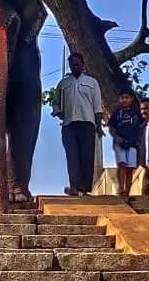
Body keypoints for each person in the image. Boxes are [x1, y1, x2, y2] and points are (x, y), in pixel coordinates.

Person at [52, 53, 104, 196]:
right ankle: (74, 186)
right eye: (73, 64)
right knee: (72, 156)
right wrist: (59, 113)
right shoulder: (63, 84)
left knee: (86, 156)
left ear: (82, 65)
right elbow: (55, 102)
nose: (75, 67)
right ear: (70, 66)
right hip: (69, 125)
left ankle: (85, 188)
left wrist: (98, 126)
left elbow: (97, 105)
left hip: (87, 124)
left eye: (78, 64)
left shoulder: (92, 82)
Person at [108, 91, 142, 197]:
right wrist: (116, 138)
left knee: (130, 168)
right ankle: (121, 188)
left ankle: (127, 191)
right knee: (121, 164)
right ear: (119, 100)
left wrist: (139, 141)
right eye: (122, 98)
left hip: (133, 143)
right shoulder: (117, 113)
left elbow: (140, 127)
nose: (124, 100)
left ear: (131, 99)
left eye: (126, 98)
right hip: (120, 142)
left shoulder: (136, 112)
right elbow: (111, 128)